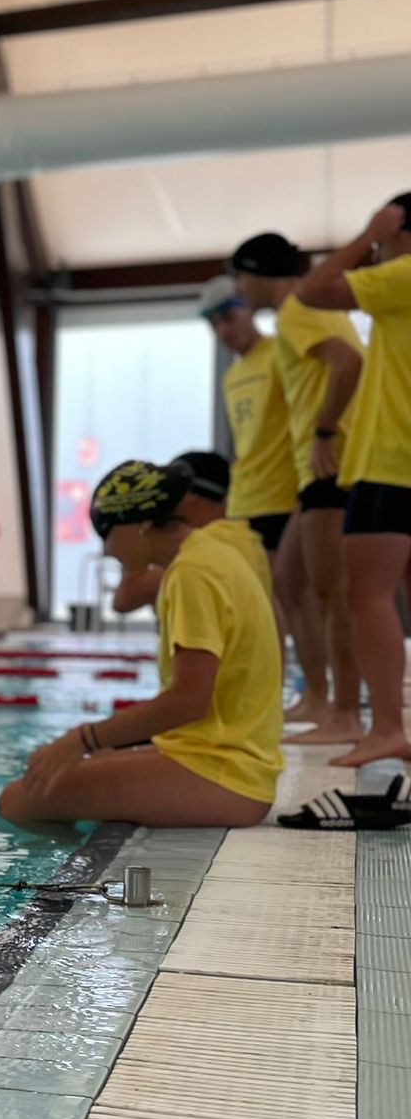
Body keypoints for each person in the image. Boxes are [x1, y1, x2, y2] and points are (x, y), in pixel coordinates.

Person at [0, 460, 283, 830]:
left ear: (140, 525)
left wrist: (82, 739)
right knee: (49, 777)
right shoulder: (208, 552)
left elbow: (189, 700)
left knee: (19, 800)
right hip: (227, 763)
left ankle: (60, 886)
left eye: (106, 533)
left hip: (225, 773)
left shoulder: (192, 574)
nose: (105, 549)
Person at [231, 230, 365, 745]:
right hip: (325, 470)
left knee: (335, 594)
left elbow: (349, 364)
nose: (241, 288)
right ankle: (317, 697)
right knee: (290, 580)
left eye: (243, 276)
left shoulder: (297, 310)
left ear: (262, 274)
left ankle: (345, 714)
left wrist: (325, 430)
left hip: (333, 464)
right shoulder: (322, 309)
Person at [296, 195, 411, 766]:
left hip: (391, 462)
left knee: (367, 595)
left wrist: (366, 236)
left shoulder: (405, 275)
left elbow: (312, 290)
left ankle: (386, 727)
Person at [198, 276, 326, 718]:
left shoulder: (280, 354)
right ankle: (286, 693)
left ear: (247, 310)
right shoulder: (232, 376)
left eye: (228, 318)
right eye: (213, 325)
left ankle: (318, 696)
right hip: (245, 500)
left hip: (285, 495)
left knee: (299, 597)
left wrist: (304, 489)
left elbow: (303, 420)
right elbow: (245, 440)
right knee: (266, 603)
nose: (224, 331)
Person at [108, 450, 269, 614]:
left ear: (189, 495)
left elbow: (124, 599)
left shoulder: (202, 548)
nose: (161, 501)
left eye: (168, 491)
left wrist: (134, 534)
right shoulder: (246, 538)